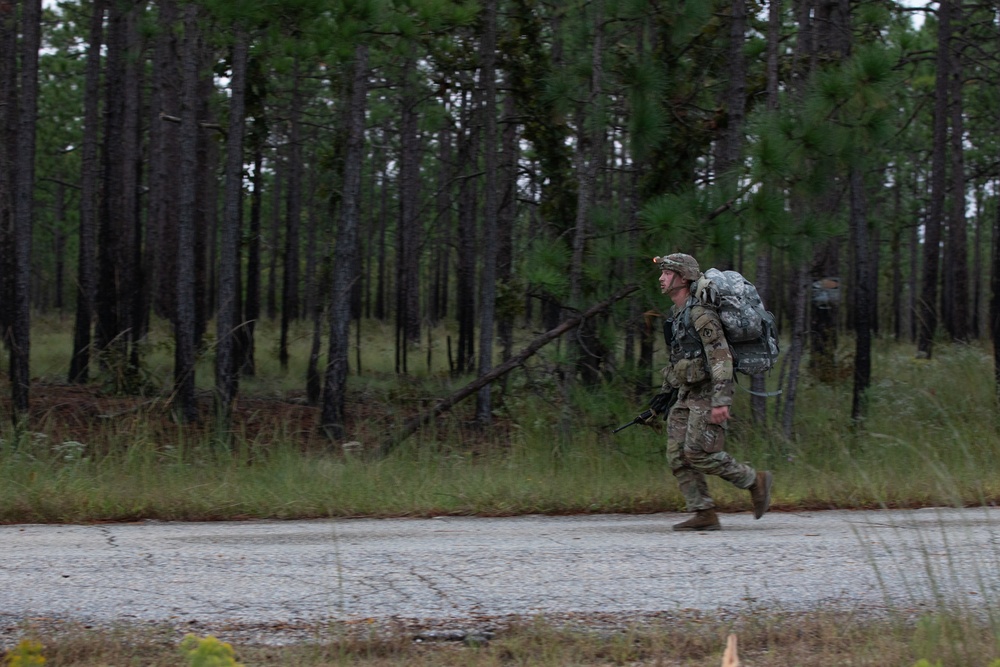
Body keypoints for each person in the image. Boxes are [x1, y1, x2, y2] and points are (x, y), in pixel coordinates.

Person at [649, 252, 772, 531]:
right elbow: (678, 359)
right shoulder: (677, 314)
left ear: (683, 277)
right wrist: (661, 399)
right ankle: (703, 512)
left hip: (707, 393)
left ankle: (754, 481)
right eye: (663, 273)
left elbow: (721, 357)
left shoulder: (700, 314)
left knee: (698, 452)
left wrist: (721, 401)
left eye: (667, 273)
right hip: (687, 393)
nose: (661, 278)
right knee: (676, 454)